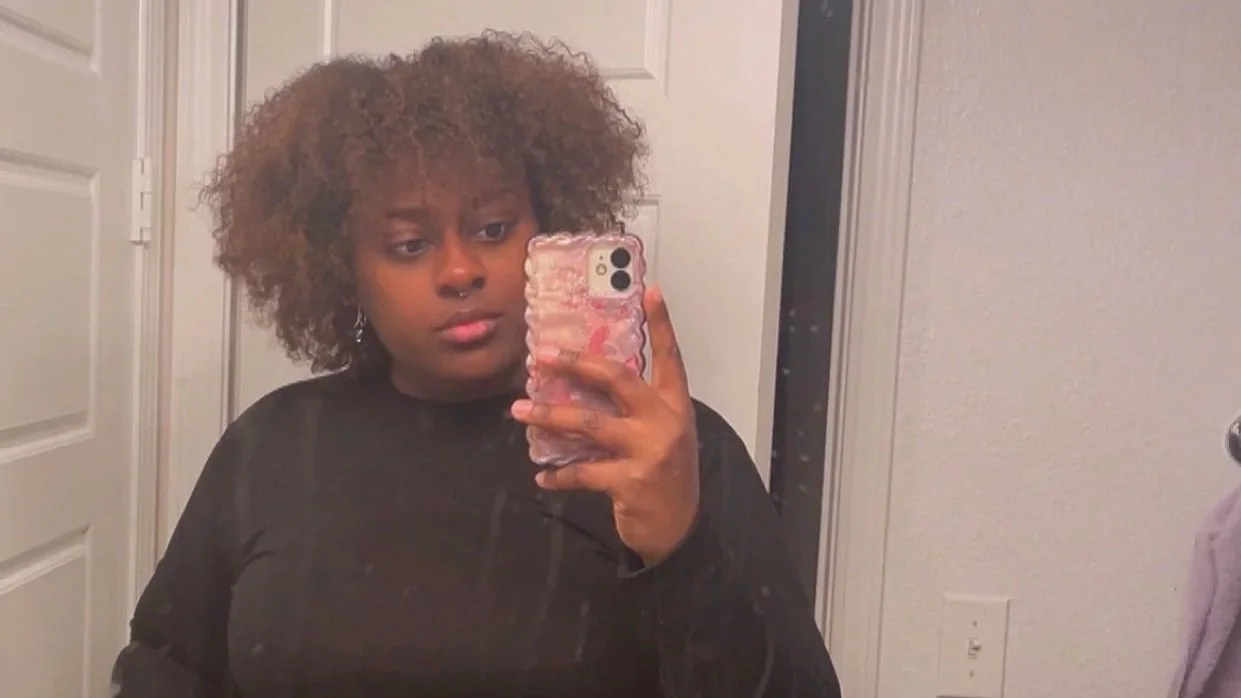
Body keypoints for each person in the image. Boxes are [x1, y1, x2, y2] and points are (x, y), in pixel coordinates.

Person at [112, 32, 842, 697]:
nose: (460, 270)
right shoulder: (270, 445)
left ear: (547, 229)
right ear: (342, 268)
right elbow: (165, 662)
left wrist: (682, 550)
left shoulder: (668, 452)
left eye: (493, 228)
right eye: (410, 244)